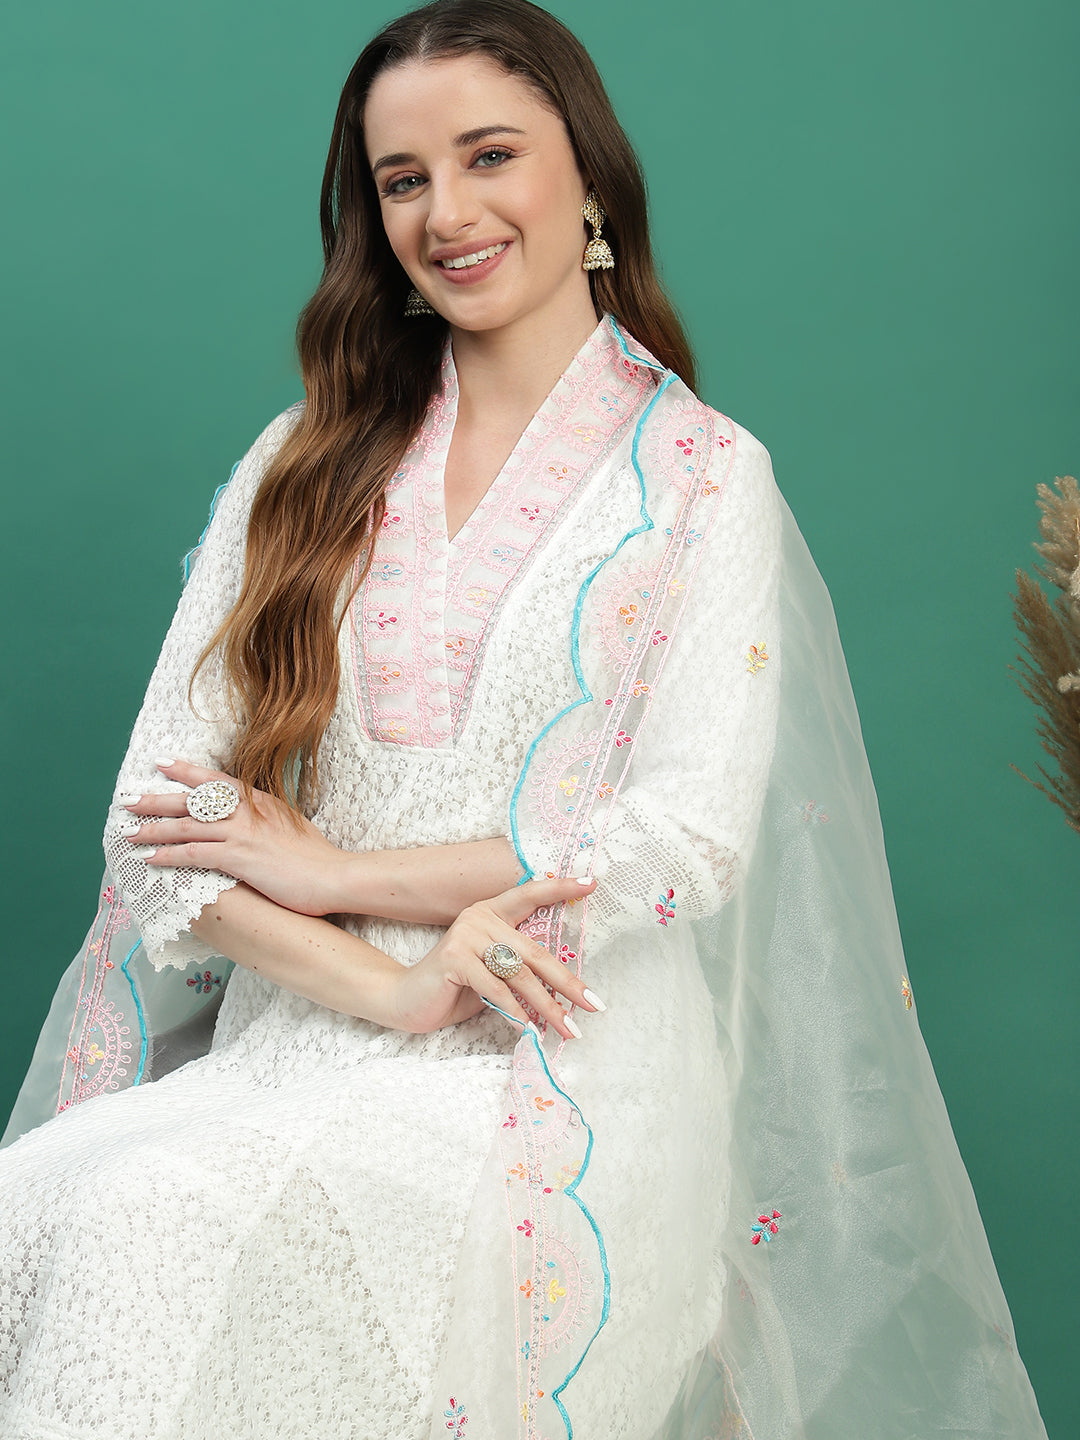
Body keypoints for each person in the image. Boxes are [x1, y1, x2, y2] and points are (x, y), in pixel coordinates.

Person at [0, 1, 1049, 1436]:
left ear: (590, 175)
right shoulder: (300, 462)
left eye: (489, 155)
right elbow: (152, 837)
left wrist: (345, 872)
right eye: (404, 178)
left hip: (564, 1071)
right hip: (296, 1040)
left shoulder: (704, 480)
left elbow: (681, 841)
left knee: (153, 1222)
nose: (448, 213)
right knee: (43, 1208)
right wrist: (388, 984)